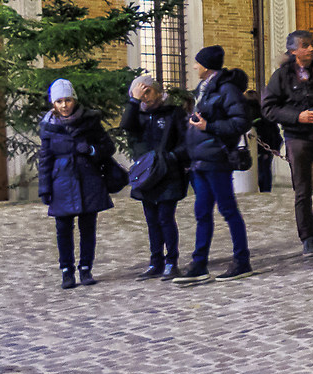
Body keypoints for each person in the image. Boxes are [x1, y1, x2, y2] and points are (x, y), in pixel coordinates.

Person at [260, 29, 313, 253]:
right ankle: (307, 236)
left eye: (311, 45)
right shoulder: (281, 76)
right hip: (297, 138)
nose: (311, 49)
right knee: (303, 189)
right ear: (293, 51)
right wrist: (296, 117)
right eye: (305, 45)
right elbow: (269, 108)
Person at [181, 47, 253, 280]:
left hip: (217, 159)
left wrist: (208, 127)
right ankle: (199, 262)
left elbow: (240, 122)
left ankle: (242, 260)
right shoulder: (202, 90)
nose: (194, 67)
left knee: (228, 209)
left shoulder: (226, 89)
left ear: (206, 66)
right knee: (202, 211)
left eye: (197, 63)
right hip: (200, 160)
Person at [36, 78, 115, 290]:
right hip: (61, 181)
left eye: (68, 100)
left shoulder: (90, 121)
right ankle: (66, 270)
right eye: (59, 101)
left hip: (87, 178)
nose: (64, 105)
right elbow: (45, 159)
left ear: (74, 100)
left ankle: (86, 268)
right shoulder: (48, 127)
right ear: (53, 103)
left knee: (88, 227)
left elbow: (108, 147)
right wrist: (44, 188)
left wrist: (91, 151)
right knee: (63, 229)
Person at [120, 75, 189, 279]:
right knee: (151, 220)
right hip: (146, 175)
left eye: (148, 91)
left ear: (159, 92)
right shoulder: (137, 115)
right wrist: (134, 101)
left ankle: (171, 261)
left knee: (166, 218)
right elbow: (126, 125)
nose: (145, 96)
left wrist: (172, 157)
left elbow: (186, 141)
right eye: (141, 92)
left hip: (168, 173)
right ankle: (155, 261)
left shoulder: (173, 113)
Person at [248, 87, 279, 193]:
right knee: (264, 172)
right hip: (265, 148)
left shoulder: (248, 113)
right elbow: (274, 132)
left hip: (261, 147)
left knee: (262, 172)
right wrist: (274, 147)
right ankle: (265, 191)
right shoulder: (264, 113)